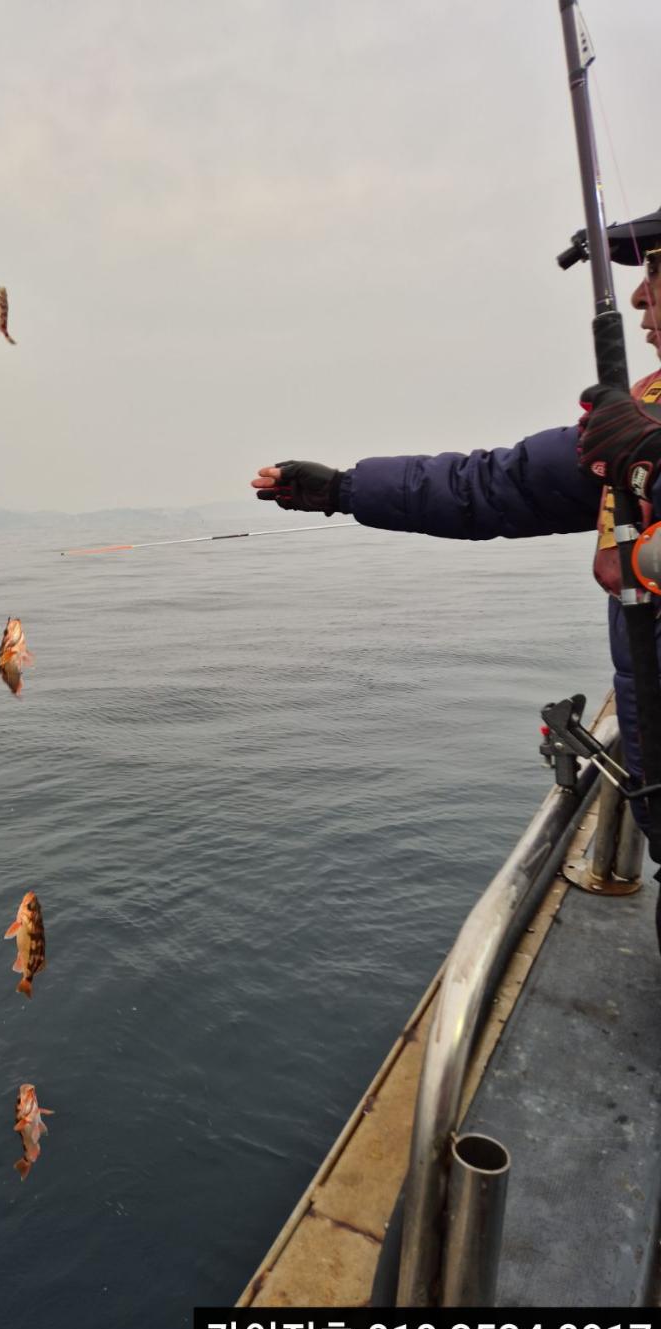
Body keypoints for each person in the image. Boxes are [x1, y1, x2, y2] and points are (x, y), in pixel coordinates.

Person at [251, 204, 661, 938]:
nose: (637, 296)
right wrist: (343, 489)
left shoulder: (646, 437)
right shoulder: (638, 422)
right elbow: (493, 486)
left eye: (657, 269)